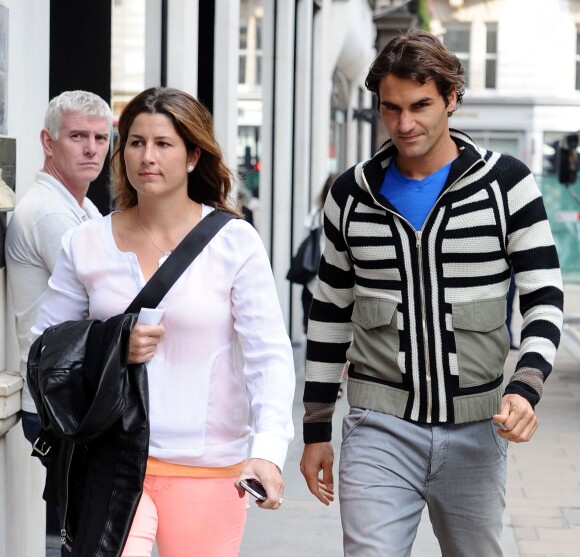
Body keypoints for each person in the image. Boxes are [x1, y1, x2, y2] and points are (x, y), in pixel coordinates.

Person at [300, 29, 563, 557]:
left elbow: (544, 295)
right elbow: (329, 310)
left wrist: (526, 385)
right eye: (390, 108)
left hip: (477, 427)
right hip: (378, 426)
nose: (405, 124)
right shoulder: (351, 194)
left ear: (451, 97)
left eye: (420, 105)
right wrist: (315, 428)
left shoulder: (507, 184)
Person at [32, 86, 295, 557]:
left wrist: (269, 451)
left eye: (162, 144)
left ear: (194, 155)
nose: (146, 157)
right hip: (110, 460)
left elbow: (269, 356)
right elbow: (45, 349)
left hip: (207, 465)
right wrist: (111, 345)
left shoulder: (234, 243)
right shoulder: (87, 242)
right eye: (135, 142)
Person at [5, 90, 112, 554]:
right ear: (48, 142)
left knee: (92, 533)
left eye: (101, 138)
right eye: (77, 137)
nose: (92, 149)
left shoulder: (80, 206)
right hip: (59, 404)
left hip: (71, 397)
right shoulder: (51, 212)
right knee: (91, 536)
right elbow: (108, 298)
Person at [300, 174, 336, 334]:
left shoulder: (314, 215)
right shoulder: (345, 216)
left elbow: (305, 239)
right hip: (331, 288)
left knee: (313, 336)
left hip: (312, 285)